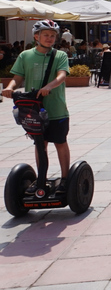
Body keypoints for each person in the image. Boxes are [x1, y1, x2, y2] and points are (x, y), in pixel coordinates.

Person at [2, 20, 71, 195]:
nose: (49, 38)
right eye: (46, 35)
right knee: (41, 144)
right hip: (33, 110)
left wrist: (50, 86)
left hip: (56, 108)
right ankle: (42, 179)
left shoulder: (59, 55)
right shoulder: (25, 56)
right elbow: (18, 77)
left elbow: (62, 75)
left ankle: (65, 179)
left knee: (60, 142)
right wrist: (10, 87)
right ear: (36, 36)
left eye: (52, 35)